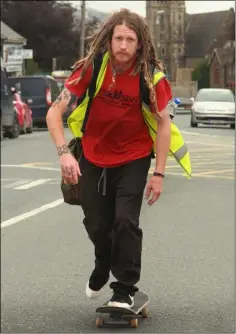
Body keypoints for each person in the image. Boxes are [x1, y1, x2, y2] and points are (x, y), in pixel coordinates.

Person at [46, 8, 172, 309]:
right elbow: (54, 112)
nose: (123, 45)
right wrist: (65, 155)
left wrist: (159, 174)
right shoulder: (92, 68)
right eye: (118, 38)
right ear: (109, 39)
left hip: (134, 156)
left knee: (125, 221)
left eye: (130, 39)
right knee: (96, 224)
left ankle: (125, 288)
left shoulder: (151, 76)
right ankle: (103, 262)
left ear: (139, 43)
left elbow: (164, 123)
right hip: (93, 156)